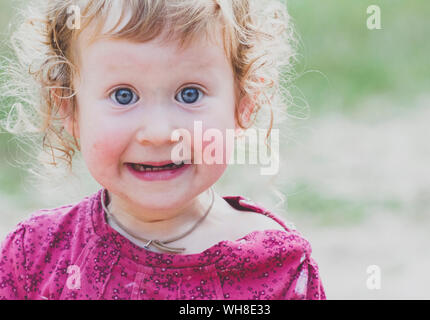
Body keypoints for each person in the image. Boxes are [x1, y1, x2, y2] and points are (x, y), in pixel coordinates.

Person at [0, 0, 325, 300]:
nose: (159, 133)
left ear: (243, 104)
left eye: (190, 94)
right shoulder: (34, 256)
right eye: (123, 95)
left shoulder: (278, 268)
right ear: (70, 110)